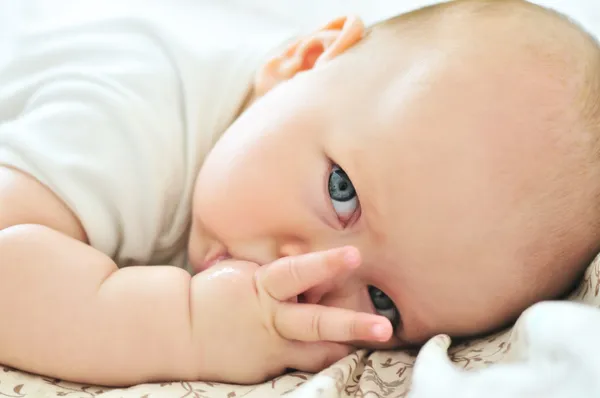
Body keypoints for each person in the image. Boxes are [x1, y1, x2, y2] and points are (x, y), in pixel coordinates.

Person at [0, 0, 599, 387]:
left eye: (382, 301)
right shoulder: (125, 124)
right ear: (303, 59)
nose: (309, 275)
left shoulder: (338, 117)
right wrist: (187, 328)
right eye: (342, 192)